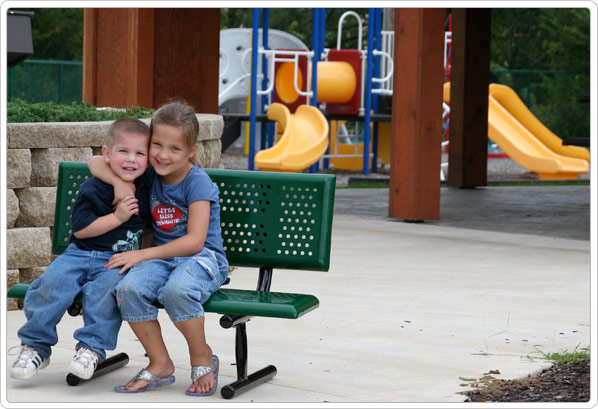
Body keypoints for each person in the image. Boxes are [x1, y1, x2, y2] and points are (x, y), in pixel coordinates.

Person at [87, 100, 229, 396]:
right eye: (157, 145)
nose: (163, 155)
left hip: (202, 259)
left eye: (175, 149)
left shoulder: (197, 183)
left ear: (192, 151)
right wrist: (121, 184)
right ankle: (160, 362)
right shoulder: (151, 174)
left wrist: (142, 254)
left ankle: (202, 356)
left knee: (176, 291)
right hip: (164, 260)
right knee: (128, 290)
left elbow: (195, 242)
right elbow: (94, 161)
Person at [11, 118, 152, 381]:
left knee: (105, 292)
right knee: (50, 284)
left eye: (139, 153)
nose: (131, 159)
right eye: (123, 151)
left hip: (117, 259)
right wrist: (118, 217)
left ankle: (91, 349)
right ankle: (35, 347)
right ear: (108, 154)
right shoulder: (94, 187)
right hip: (79, 253)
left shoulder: (147, 186)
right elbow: (81, 230)